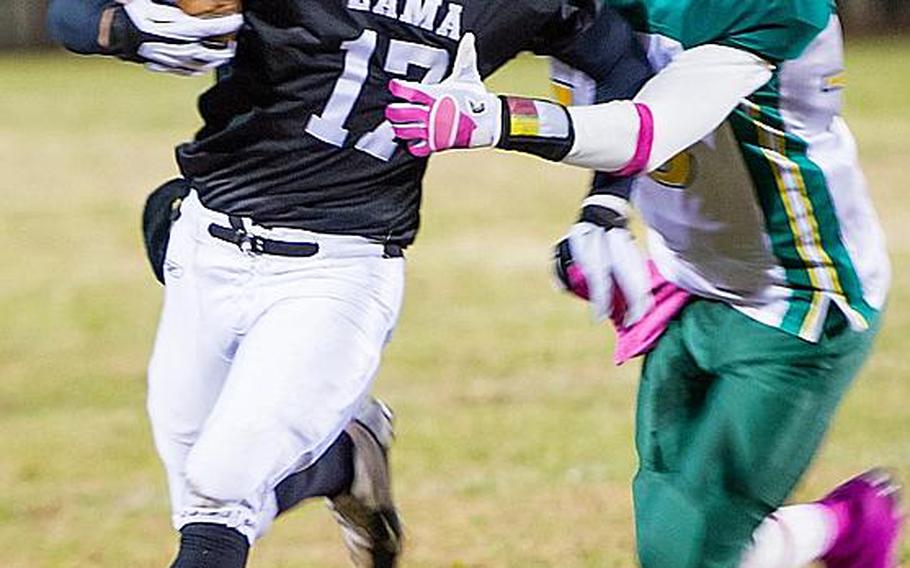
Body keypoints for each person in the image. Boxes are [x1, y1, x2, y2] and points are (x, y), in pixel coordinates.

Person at [45, 1, 657, 566]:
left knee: (219, 497)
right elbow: (68, 13)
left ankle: (335, 461)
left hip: (341, 267)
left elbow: (623, 64)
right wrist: (118, 28)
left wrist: (606, 203)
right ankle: (347, 461)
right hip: (205, 244)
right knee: (202, 500)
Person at [386, 0, 905, 566]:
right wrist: (602, 211)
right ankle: (844, 525)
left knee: (686, 551)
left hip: (796, 294)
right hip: (686, 280)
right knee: (672, 537)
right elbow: (617, 76)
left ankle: (844, 525)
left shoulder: (765, 6)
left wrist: (500, 120)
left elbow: (650, 129)